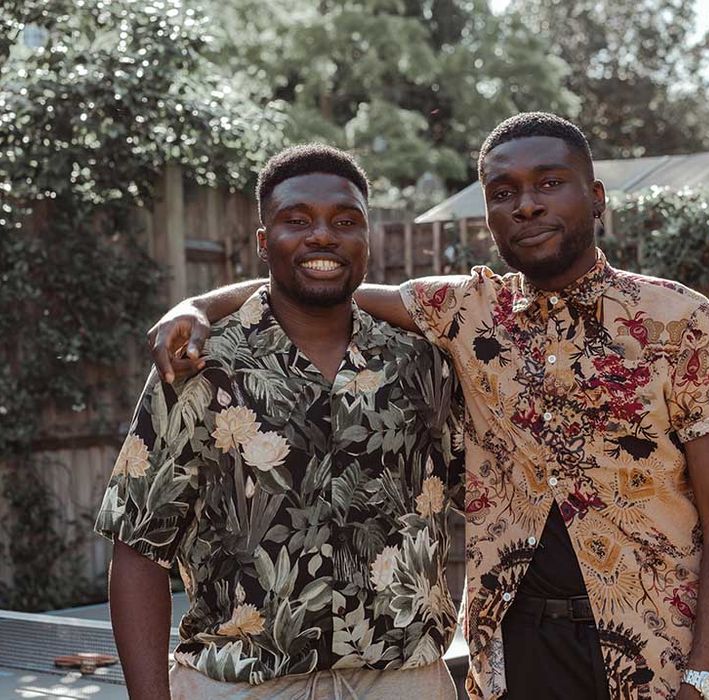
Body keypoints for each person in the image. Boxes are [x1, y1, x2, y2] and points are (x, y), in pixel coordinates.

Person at [148, 113, 709, 700]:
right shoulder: (468, 312)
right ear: (488, 216)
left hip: (659, 648)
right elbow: (319, 276)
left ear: (596, 197)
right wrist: (198, 305)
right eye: (503, 192)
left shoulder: (680, 321)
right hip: (516, 655)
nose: (527, 205)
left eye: (549, 183)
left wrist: (704, 677)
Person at [95, 144, 465, 700]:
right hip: (243, 682)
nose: (322, 236)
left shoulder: (420, 359)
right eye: (297, 221)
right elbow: (139, 544)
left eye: (345, 221)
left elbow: (486, 503)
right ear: (264, 243)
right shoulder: (201, 363)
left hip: (404, 678)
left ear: (368, 239)